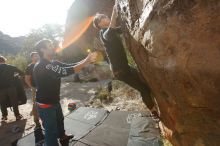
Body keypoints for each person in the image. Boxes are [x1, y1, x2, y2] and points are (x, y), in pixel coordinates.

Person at [93, 5, 158, 116]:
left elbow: (124, 28)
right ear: (99, 24)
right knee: (143, 88)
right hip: (120, 71)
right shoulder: (103, 33)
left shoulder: (112, 31)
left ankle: (154, 106)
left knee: (145, 80)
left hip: (125, 67)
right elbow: (109, 32)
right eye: (102, 17)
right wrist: (114, 12)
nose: (106, 17)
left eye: (105, 15)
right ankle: (153, 112)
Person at [33, 39, 97, 146]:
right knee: (50, 132)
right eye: (49, 46)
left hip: (54, 101)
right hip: (45, 104)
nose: (52, 47)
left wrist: (87, 60)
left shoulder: (53, 63)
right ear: (42, 49)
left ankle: (62, 137)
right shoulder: (42, 65)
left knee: (59, 121)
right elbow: (66, 71)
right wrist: (86, 61)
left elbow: (70, 66)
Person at [0, 55, 23, 121]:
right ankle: (17, 116)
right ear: (4, 60)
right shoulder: (11, 67)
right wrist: (14, 76)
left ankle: (4, 116)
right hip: (11, 87)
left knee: (2, 103)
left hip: (0, 89)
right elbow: (21, 73)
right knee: (14, 102)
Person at [25, 52, 41, 129]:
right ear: (32, 58)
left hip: (44, 87)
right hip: (35, 88)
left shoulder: (42, 64)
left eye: (37, 55)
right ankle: (37, 122)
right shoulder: (30, 67)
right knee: (35, 105)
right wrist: (32, 87)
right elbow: (27, 79)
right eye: (35, 56)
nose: (37, 57)